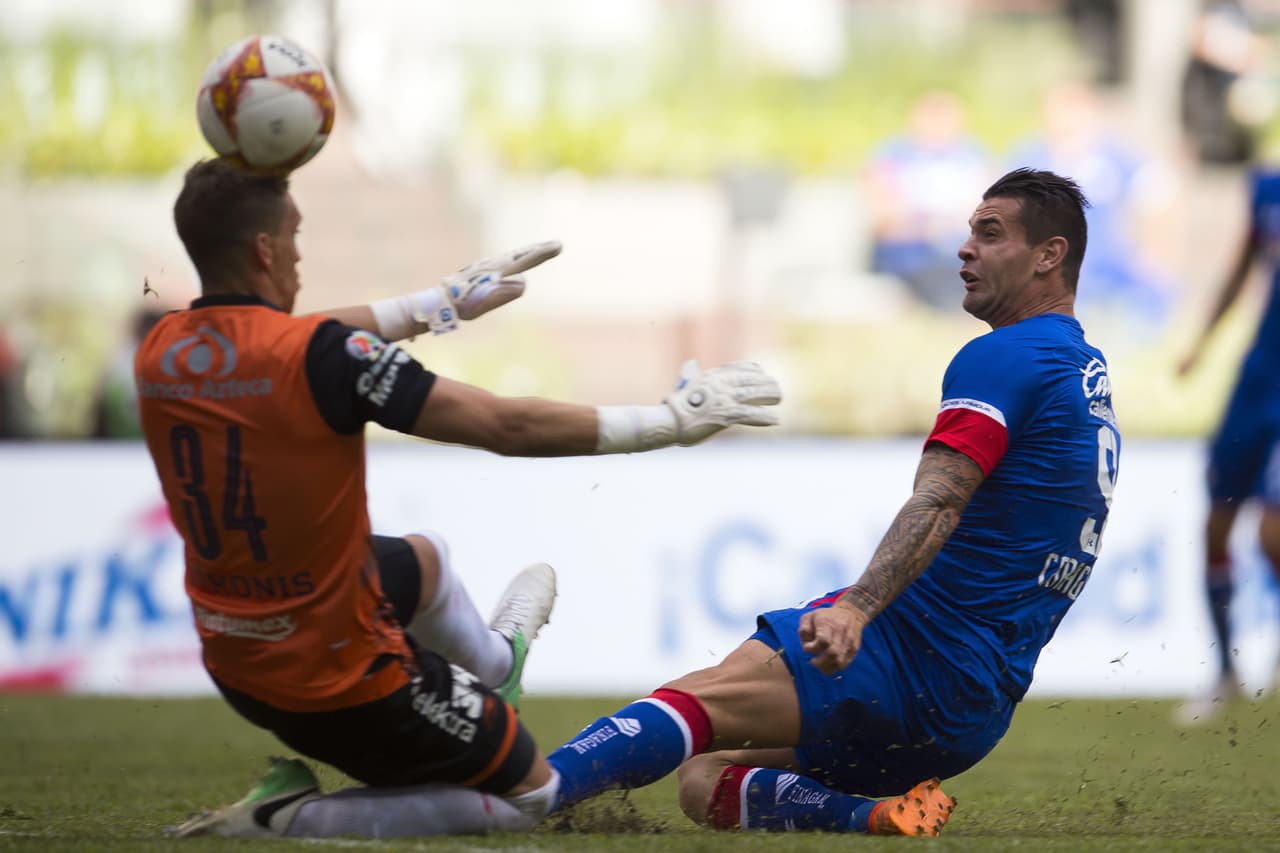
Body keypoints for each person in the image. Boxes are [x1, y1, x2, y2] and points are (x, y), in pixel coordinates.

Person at [144, 158, 782, 839]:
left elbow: (287, 341)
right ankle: (284, 817)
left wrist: (436, 305)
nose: (300, 254)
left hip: (235, 657)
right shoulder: (319, 356)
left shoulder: (161, 349)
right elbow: (505, 426)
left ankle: (499, 668)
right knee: (530, 796)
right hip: (339, 675)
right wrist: (667, 422)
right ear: (264, 249)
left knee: (424, 561)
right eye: (293, 235)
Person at [541, 168, 1120, 837]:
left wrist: (856, 609)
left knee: (691, 703)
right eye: (969, 232)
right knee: (705, 775)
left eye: (990, 234)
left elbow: (940, 500)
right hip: (972, 715)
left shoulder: (1007, 355)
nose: (966, 248)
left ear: (1049, 255)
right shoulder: (1083, 371)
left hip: (907, 655)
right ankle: (875, 816)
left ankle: (522, 792)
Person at [1174, 164, 1280, 725]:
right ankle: (1224, 671)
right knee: (1216, 524)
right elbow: (1241, 271)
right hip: (1257, 380)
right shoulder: (1266, 189)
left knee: (1272, 532)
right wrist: (1201, 341)